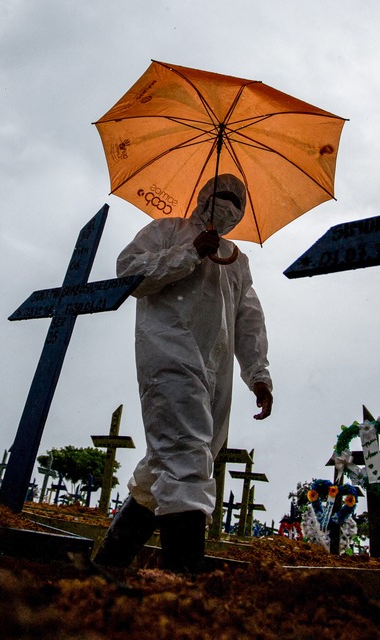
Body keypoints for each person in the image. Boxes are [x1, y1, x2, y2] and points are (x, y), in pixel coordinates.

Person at [93, 174, 273, 573]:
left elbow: (248, 319)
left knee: (174, 461)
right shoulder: (165, 231)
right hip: (168, 353)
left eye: (238, 203)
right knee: (186, 454)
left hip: (216, 368)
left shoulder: (237, 260)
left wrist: (258, 373)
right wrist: (189, 253)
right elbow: (129, 275)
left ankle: (107, 565)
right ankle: (183, 580)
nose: (230, 206)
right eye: (223, 196)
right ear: (204, 196)